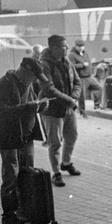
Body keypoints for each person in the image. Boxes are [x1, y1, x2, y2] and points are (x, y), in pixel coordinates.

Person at [0, 58, 51, 224]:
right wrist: (29, 107)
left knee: (26, 174)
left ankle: (25, 213)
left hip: (26, 138)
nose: (34, 81)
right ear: (24, 71)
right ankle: (8, 220)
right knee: (11, 178)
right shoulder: (5, 84)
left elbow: (30, 106)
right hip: (9, 139)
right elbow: (2, 112)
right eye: (33, 77)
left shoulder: (27, 84)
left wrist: (40, 107)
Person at [39, 35, 83, 188]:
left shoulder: (67, 62)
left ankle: (66, 163)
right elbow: (49, 89)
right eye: (64, 46)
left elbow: (77, 81)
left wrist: (74, 97)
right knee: (55, 142)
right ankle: (56, 172)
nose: (66, 48)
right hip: (52, 110)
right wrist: (70, 100)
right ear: (54, 48)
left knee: (72, 136)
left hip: (68, 107)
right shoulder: (44, 64)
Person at [68, 39, 102, 117]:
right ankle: (82, 112)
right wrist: (82, 65)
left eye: (82, 46)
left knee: (99, 88)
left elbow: (89, 62)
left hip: (89, 76)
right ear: (76, 46)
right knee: (81, 96)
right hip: (80, 78)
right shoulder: (72, 55)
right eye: (79, 46)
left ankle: (97, 105)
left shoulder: (85, 53)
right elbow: (72, 66)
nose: (81, 48)